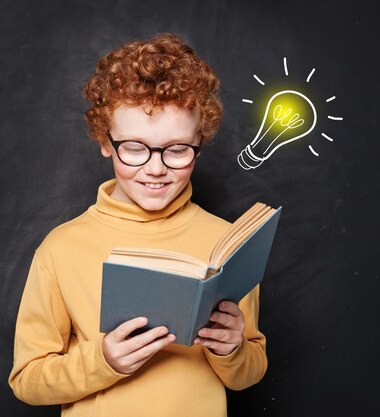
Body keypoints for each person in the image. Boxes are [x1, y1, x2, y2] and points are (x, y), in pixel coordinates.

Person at [8, 33, 267, 417]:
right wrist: (103, 361)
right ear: (105, 141)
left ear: (200, 141)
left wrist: (232, 350)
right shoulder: (61, 248)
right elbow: (27, 380)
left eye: (178, 149)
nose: (156, 167)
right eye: (134, 147)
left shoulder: (227, 243)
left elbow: (249, 373)